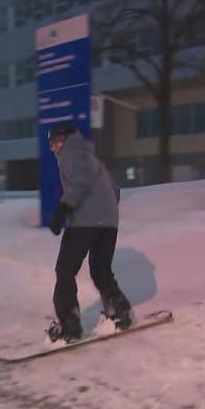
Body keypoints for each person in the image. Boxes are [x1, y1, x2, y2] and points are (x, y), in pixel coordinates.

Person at [46, 123, 132, 343]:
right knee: (100, 270)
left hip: (85, 221)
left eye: (56, 142)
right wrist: (105, 211)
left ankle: (70, 324)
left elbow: (80, 182)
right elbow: (115, 190)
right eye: (51, 145)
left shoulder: (70, 154)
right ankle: (119, 312)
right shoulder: (92, 157)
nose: (54, 148)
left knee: (65, 270)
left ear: (66, 138)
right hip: (109, 221)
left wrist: (63, 208)